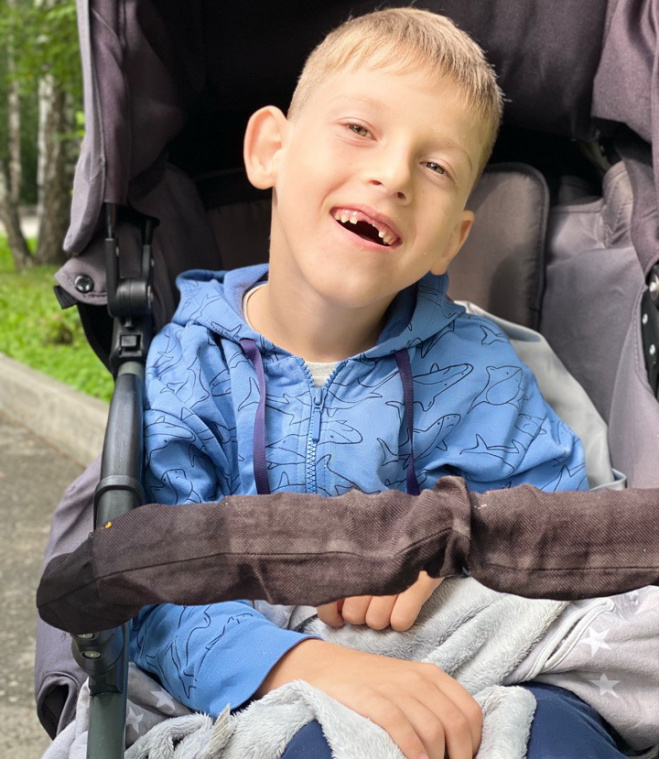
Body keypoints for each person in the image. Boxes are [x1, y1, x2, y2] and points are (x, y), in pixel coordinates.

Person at [130, 9, 619, 759]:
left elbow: (550, 525)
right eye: (359, 129)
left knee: (560, 735)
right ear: (270, 149)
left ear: (451, 238)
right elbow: (154, 583)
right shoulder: (187, 366)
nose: (392, 176)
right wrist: (307, 665)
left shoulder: (476, 367)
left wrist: (449, 547)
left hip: (469, 658)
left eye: (435, 167)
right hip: (266, 676)